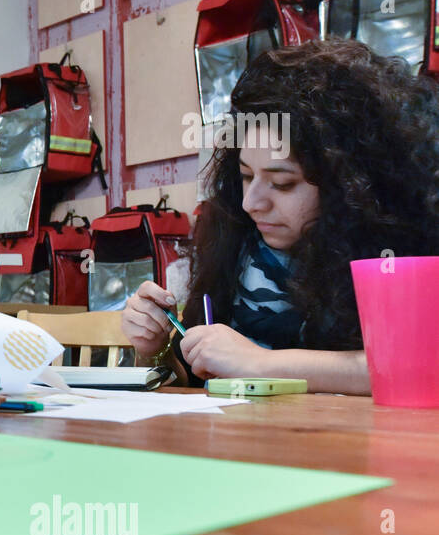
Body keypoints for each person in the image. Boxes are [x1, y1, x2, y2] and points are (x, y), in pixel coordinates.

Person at [122, 38, 439, 394]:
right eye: (245, 175)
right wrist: (152, 350)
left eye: (283, 183)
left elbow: (416, 366)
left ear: (349, 187)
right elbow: (199, 383)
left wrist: (260, 363)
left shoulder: (395, 255)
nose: (251, 202)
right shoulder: (234, 242)